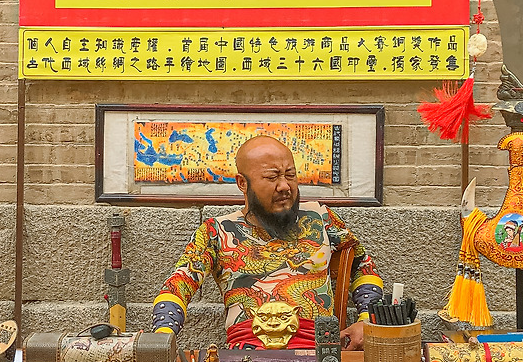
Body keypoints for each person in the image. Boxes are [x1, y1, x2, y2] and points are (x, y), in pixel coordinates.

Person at [150, 134, 383, 350]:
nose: (284, 186)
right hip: (245, 357)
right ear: (242, 183)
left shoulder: (321, 218)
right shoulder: (216, 231)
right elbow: (177, 285)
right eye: (272, 177)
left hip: (318, 353)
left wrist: (367, 321)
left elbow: (363, 266)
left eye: (290, 175)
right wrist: (162, 336)